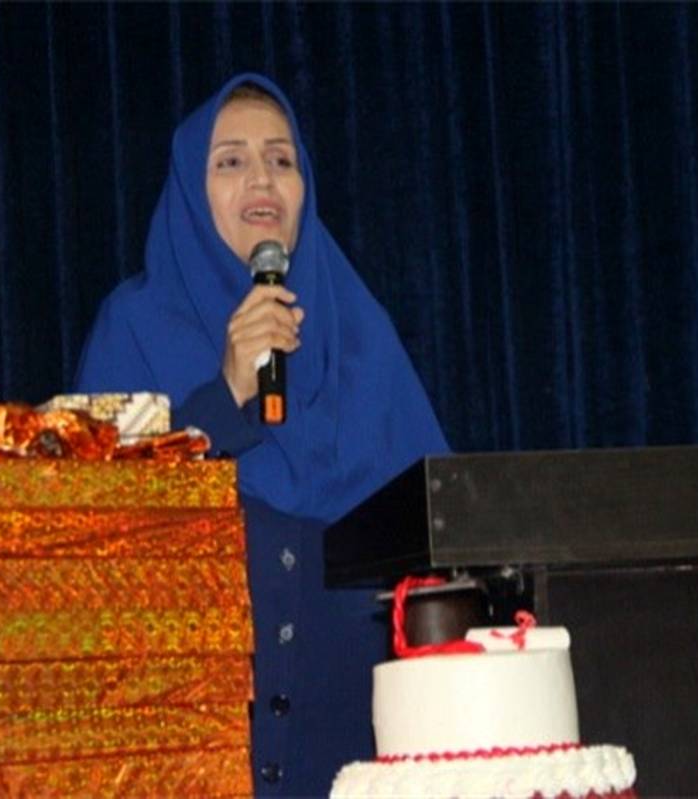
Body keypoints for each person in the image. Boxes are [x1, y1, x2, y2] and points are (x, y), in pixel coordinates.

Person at [75, 73, 448, 796]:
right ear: (191, 190)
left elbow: (438, 543)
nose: (262, 178)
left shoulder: (361, 335)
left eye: (282, 158)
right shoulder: (133, 330)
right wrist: (222, 398)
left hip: (356, 765)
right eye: (230, 161)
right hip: (187, 759)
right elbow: (95, 541)